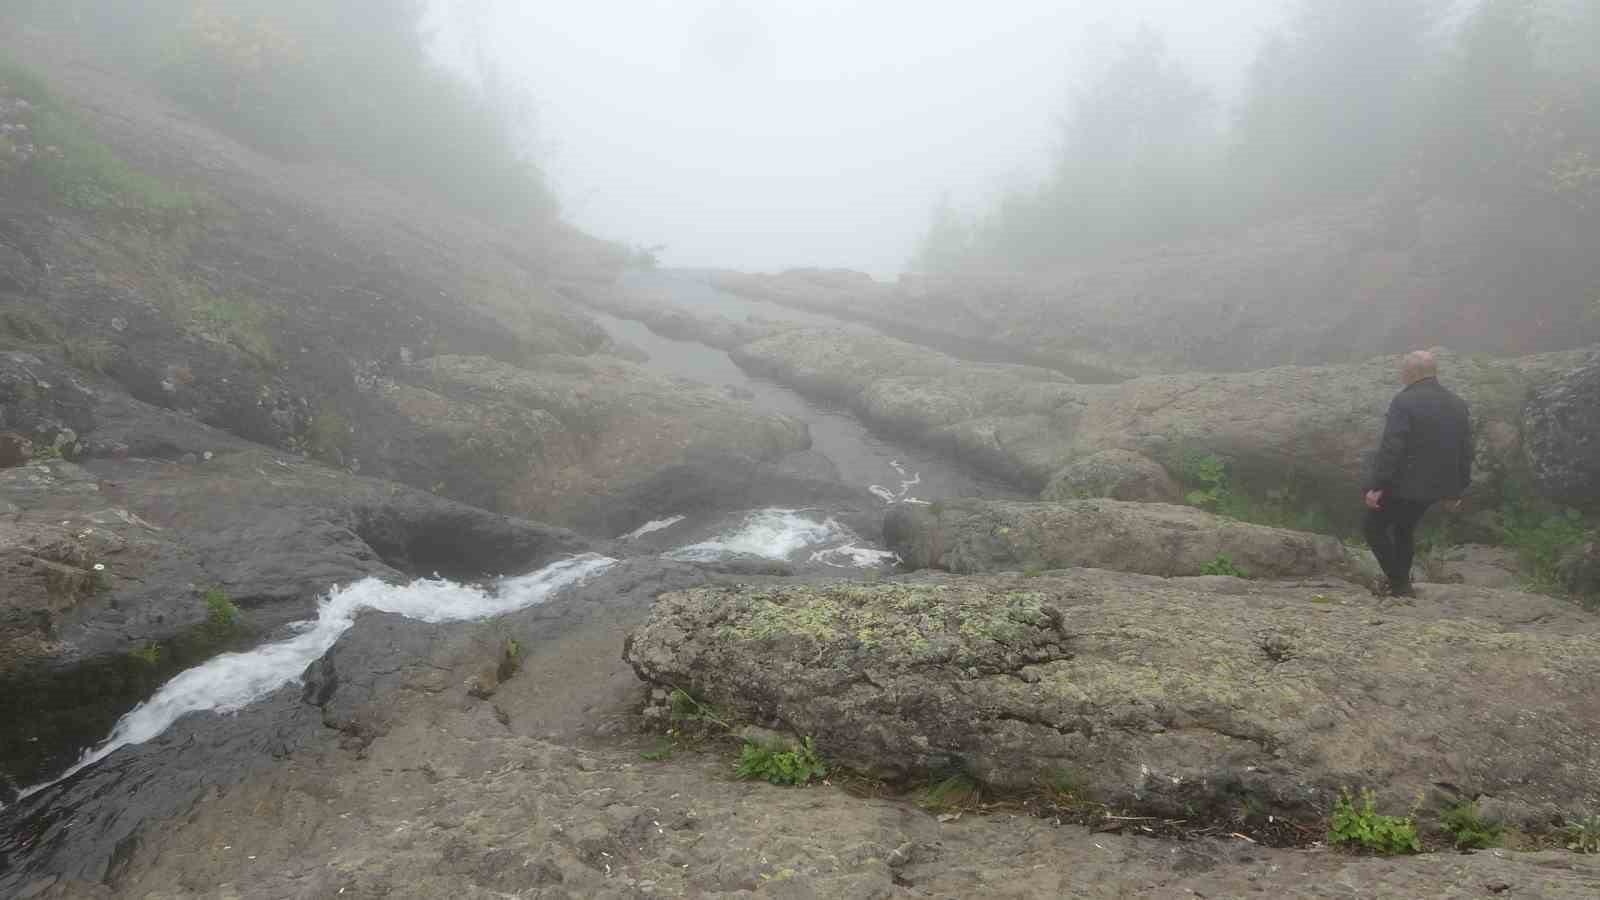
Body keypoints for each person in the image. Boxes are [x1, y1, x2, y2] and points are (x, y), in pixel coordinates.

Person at [1363, 350, 1472, 598]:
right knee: (1404, 528)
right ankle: (1400, 583)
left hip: (1406, 483)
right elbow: (1466, 448)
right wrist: (1457, 488)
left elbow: (1393, 446)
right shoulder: (1457, 402)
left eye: (1403, 371)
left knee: (1373, 527)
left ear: (1411, 373)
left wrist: (1377, 485)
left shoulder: (1404, 401)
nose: (1401, 375)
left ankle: (1399, 583)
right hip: (1439, 485)